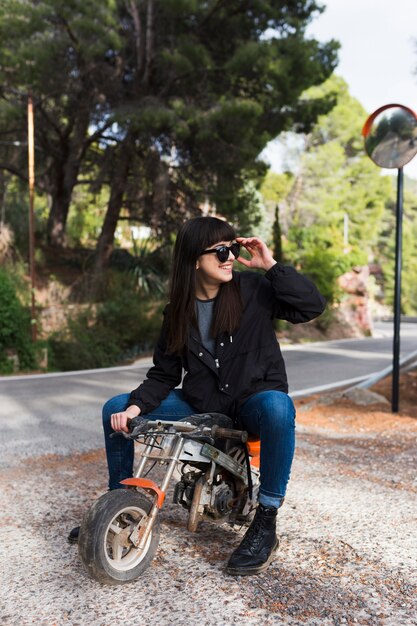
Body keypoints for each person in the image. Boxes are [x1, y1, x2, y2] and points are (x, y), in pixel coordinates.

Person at [69, 216, 326, 576]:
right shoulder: (178, 310)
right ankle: (118, 505)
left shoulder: (254, 290)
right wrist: (134, 406)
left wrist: (271, 267)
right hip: (203, 403)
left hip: (253, 402)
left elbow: (312, 306)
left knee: (279, 407)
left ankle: (265, 522)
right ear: (194, 259)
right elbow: (164, 374)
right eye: (221, 250)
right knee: (115, 407)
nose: (230, 257)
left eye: (232, 249)